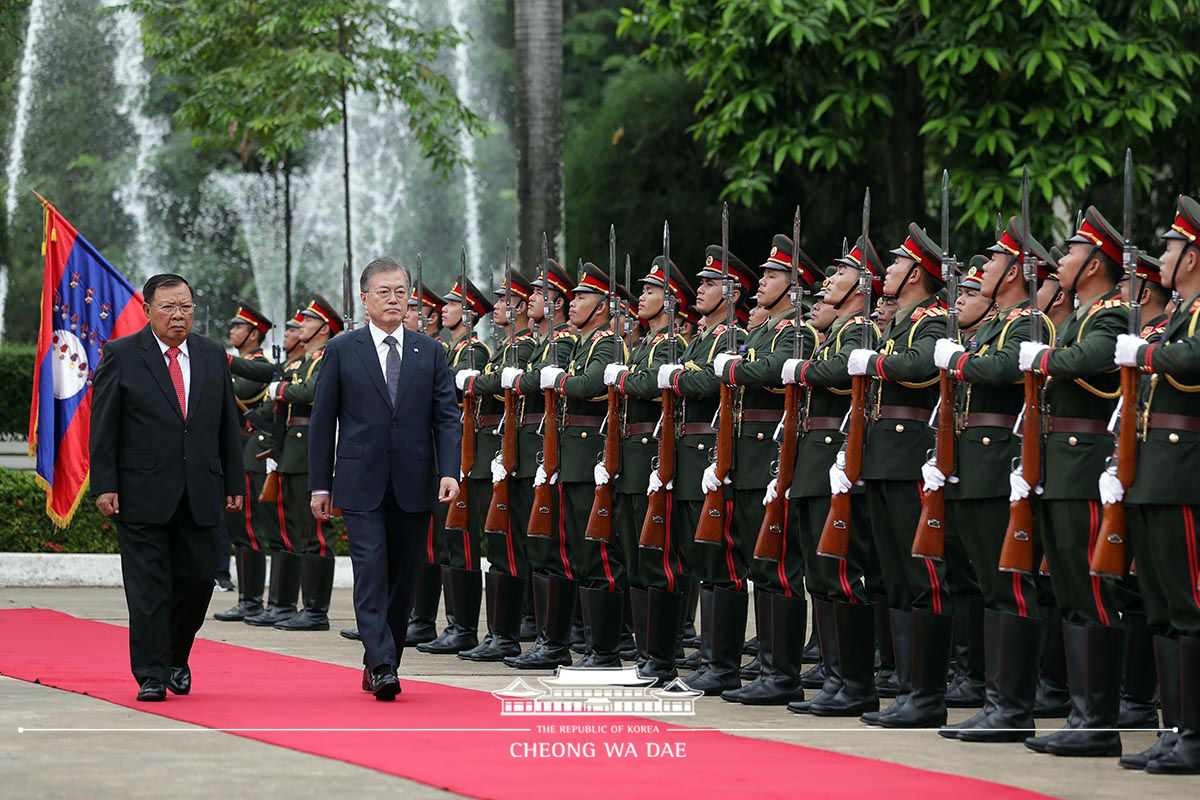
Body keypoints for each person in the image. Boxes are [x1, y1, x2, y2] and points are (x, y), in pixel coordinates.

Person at [309, 257, 460, 700]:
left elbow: (447, 418)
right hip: (360, 481)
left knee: (404, 577)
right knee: (371, 569)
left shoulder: (429, 351)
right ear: (365, 299)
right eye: (384, 292)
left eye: (400, 292)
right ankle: (382, 664)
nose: (393, 299)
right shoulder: (342, 349)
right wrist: (321, 484)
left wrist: (449, 470)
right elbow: (322, 421)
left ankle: (382, 655)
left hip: (415, 481)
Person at [90, 273, 245, 702]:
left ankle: (177, 655)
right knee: (148, 589)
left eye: (186, 307)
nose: (179, 315)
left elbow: (226, 425)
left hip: (201, 491)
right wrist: (104, 484)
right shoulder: (121, 355)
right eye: (169, 307)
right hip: (141, 494)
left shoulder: (213, 355)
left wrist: (234, 480)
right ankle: (152, 674)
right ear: (148, 310)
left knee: (199, 581)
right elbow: (103, 426)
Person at [931, 218, 1056, 742]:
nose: (982, 269)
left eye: (994, 262)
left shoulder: (1031, 323)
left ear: (1015, 273)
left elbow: (1004, 370)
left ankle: (1012, 706)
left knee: (1009, 587)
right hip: (971, 462)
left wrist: (958, 360)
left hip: (1000, 461)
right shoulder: (992, 323)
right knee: (987, 586)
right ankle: (994, 698)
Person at [1018, 207, 1128, 757]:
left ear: (1091, 266)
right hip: (1060, 463)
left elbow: (1092, 357)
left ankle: (1098, 721)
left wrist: (1046, 356)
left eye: (1068, 253)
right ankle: (1083, 713)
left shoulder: (1110, 313)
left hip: (1084, 464)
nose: (1058, 260)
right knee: (1068, 592)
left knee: (1091, 592)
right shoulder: (1079, 316)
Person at [844, 223, 951, 728]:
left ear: (916, 275)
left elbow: (923, 366)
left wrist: (878, 362)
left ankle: (927, 694)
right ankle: (907, 689)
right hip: (885, 459)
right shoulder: (900, 322)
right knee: (892, 575)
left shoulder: (934, 320)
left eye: (895, 264)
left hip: (911, 459)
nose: (885, 271)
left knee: (920, 575)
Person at [1115, 194, 1200, 774]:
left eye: (1171, 247)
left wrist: (1145, 352)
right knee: (1165, 608)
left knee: (1190, 607)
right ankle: (1177, 729)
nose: (1162, 256)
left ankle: (1194, 733)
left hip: (1184, 471)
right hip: (1153, 471)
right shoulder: (1176, 316)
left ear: (1193, 256)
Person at [781, 237, 884, 717]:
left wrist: (804, 368)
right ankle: (834, 676)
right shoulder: (833, 333)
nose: (827, 281)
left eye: (839, 274)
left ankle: (854, 682)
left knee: (842, 574)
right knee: (820, 575)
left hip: (834, 457)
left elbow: (840, 375)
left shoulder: (858, 330)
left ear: (861, 285)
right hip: (811, 457)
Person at [717, 233, 820, 706]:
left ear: (794, 289)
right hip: (746, 458)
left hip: (771, 458)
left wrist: (735, 367)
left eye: (773, 275)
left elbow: (770, 371)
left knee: (779, 566)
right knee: (761, 565)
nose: (762, 281)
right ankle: (768, 666)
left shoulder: (797, 331)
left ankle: (784, 674)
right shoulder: (759, 331)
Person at [658, 245, 755, 695]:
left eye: (710, 283)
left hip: (709, 450)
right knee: (701, 560)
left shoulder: (731, 336)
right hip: (688, 450)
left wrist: (678, 377)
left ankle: (723, 664)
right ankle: (713, 659)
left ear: (732, 293)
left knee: (722, 561)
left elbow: (707, 381)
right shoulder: (701, 336)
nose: (699, 289)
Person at [603, 256, 694, 684]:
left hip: (653, 454)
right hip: (630, 456)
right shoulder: (642, 344)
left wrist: (623, 379)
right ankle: (646, 656)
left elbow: (654, 384)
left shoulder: (671, 344)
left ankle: (663, 655)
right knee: (637, 560)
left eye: (650, 291)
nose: (640, 297)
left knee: (658, 558)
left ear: (671, 302)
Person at [539, 262, 627, 668]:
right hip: (571, 457)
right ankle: (584, 646)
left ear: (603, 306)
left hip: (590, 455)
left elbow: (591, 385)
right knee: (576, 551)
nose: (572, 302)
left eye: (582, 297)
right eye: (573, 296)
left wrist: (558, 381)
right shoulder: (582, 343)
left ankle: (604, 650)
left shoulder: (606, 342)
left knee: (597, 555)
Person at [266, 295, 344, 631]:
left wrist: (281, 389)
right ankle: (301, 605)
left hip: (311, 447)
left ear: (324, 328)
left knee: (316, 533)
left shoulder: (326, 355)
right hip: (294, 451)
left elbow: (312, 391)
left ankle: (316, 610)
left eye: (309, 322)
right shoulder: (309, 358)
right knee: (299, 530)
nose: (302, 326)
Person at [213, 302, 274, 622]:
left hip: (247, 449)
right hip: (231, 448)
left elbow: (240, 389)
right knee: (238, 527)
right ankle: (245, 598)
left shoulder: (259, 364)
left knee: (247, 526)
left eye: (238, 327)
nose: (232, 331)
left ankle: (252, 601)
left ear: (254, 333)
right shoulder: (240, 364)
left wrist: (221, 361)